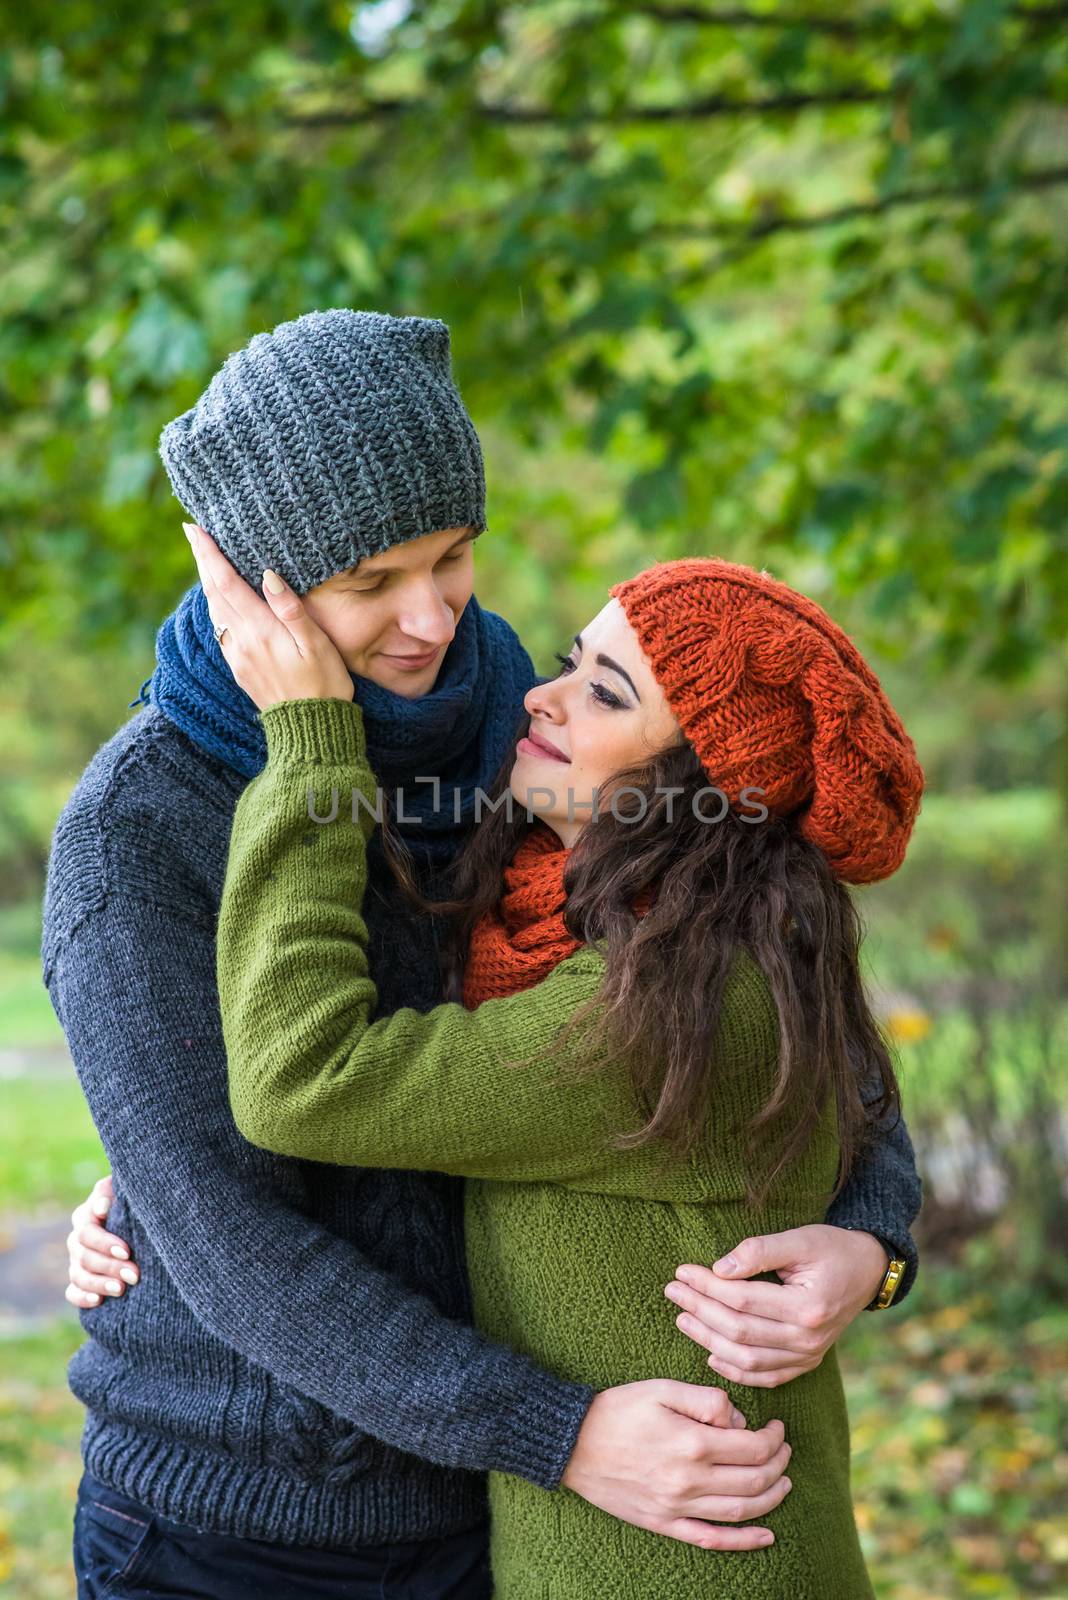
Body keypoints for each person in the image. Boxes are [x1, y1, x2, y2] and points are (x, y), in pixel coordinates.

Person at [49, 309, 920, 1599]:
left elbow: (751, 981)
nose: (430, 619)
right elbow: (232, 1240)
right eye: (369, 582)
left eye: (453, 556)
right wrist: (554, 1433)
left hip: (505, 1518)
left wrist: (870, 1223)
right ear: (252, 582)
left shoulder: (509, 712)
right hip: (243, 1531)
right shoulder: (139, 832)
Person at [185, 533, 922, 1596]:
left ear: (690, 793)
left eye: (604, 692)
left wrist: (310, 744)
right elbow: (861, 1094)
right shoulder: (672, 936)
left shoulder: (669, 1006)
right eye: (573, 658)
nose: (541, 696)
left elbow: (307, 1080)